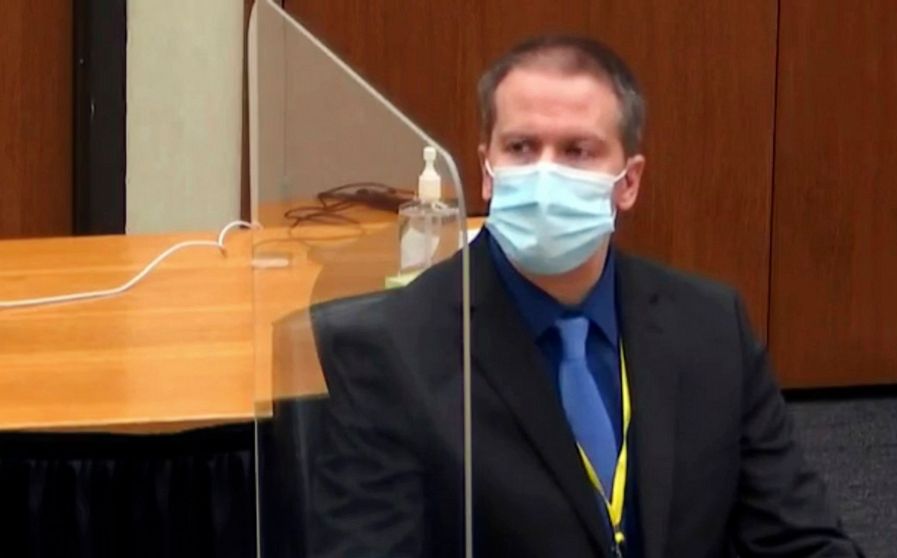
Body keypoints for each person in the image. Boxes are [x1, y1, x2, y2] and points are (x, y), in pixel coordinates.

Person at [310, 35, 864, 558]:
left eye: (578, 151)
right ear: (486, 172)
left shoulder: (712, 327)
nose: (545, 174)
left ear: (629, 182)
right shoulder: (393, 352)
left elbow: (802, 541)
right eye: (521, 147)